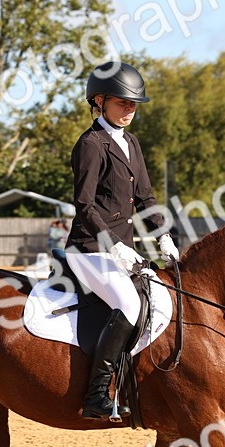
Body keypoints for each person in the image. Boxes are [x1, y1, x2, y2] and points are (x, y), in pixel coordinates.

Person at [66, 61, 178, 420]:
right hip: (89, 248)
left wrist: (163, 236)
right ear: (99, 101)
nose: (129, 110)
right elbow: (84, 204)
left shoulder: (131, 142)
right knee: (129, 305)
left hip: (123, 251)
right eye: (121, 103)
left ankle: (132, 382)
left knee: (156, 301)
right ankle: (96, 394)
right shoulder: (91, 144)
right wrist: (112, 244)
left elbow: (145, 199)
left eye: (133, 104)